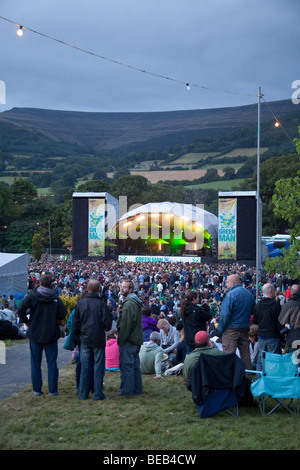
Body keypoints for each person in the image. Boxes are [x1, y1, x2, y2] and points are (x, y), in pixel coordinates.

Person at [17, 273, 67, 396]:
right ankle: (53, 390)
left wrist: (26, 321)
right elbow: (62, 314)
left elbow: (21, 310)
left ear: (39, 282)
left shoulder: (32, 296)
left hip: (35, 332)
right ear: (52, 284)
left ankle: (37, 390)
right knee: (52, 364)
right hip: (50, 333)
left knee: (35, 363)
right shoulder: (55, 298)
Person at [74, 279, 113, 400]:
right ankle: (97, 393)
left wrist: (79, 335)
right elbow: (108, 325)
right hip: (97, 337)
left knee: (85, 366)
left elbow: (76, 323)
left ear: (87, 289)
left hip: (85, 337)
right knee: (98, 366)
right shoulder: (101, 304)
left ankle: (83, 393)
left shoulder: (81, 304)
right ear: (98, 290)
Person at [217, 274, 255, 371]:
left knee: (229, 354)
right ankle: (247, 377)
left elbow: (224, 315)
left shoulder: (230, 295)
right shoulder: (249, 294)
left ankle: (229, 378)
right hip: (245, 328)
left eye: (227, 282)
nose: (226, 284)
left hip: (231, 329)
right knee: (245, 354)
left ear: (233, 283)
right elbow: (253, 310)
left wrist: (221, 329)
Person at [117, 280, 143, 396]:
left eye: (125, 287)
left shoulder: (129, 303)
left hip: (129, 340)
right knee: (134, 366)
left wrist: (121, 340)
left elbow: (126, 324)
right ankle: (136, 390)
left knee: (127, 366)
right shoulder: (133, 301)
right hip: (135, 338)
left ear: (130, 289)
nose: (122, 289)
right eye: (121, 286)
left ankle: (127, 391)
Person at [252, 283, 282, 370]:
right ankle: (271, 379)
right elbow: (280, 322)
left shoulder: (258, 305)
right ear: (270, 291)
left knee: (261, 359)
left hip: (262, 336)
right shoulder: (276, 306)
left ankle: (259, 379)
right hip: (273, 336)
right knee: (273, 360)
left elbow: (255, 321)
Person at [180, 290, 211, 354]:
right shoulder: (197, 310)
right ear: (194, 299)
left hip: (188, 338)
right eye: (198, 298)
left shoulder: (184, 309)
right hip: (199, 338)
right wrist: (205, 306)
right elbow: (208, 316)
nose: (199, 299)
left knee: (191, 358)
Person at [278, 284, 300, 352]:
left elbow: (281, 320)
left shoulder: (289, 304)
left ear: (291, 292)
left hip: (293, 336)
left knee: (294, 360)